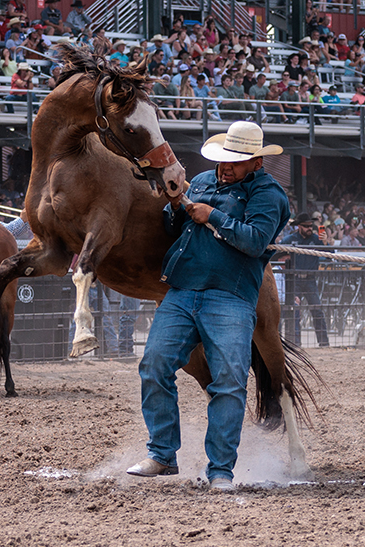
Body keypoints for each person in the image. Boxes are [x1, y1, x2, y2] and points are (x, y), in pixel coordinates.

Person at [128, 121, 290, 492]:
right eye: (223, 159)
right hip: (182, 290)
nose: (226, 166)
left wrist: (212, 215)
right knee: (154, 364)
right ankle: (163, 453)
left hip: (231, 297)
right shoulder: (199, 181)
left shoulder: (269, 195)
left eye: (236, 161)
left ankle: (221, 470)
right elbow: (174, 229)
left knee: (229, 382)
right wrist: (174, 208)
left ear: (256, 163)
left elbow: (255, 242)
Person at [278, 212, 329, 348]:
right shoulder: (289, 239)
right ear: (299, 226)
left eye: (310, 226)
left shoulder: (317, 239)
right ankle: (295, 343)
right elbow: (277, 256)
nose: (309, 228)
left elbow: (330, 256)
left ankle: (324, 343)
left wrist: (325, 242)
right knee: (294, 311)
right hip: (294, 280)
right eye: (306, 226)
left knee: (317, 311)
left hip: (310, 279)